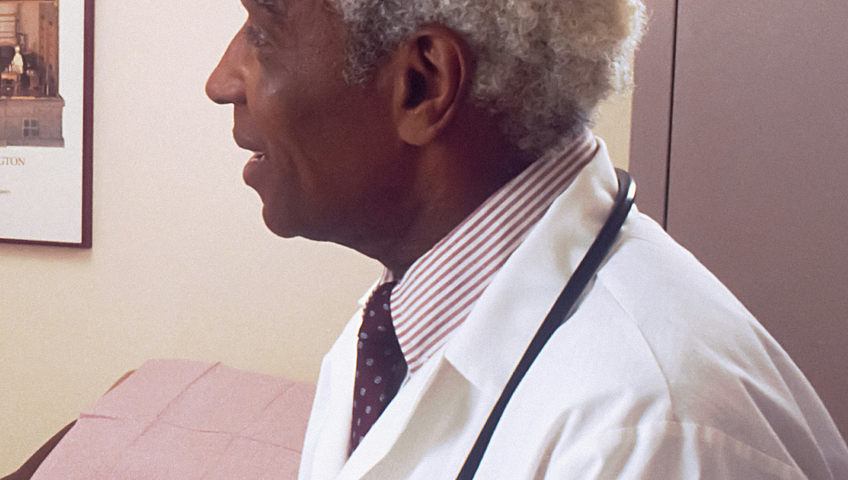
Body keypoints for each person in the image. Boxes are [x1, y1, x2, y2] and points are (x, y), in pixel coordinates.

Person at [205, 0, 848, 478]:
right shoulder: (395, 326)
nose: (221, 81)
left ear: (422, 84)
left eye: (262, 33)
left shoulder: (648, 436)